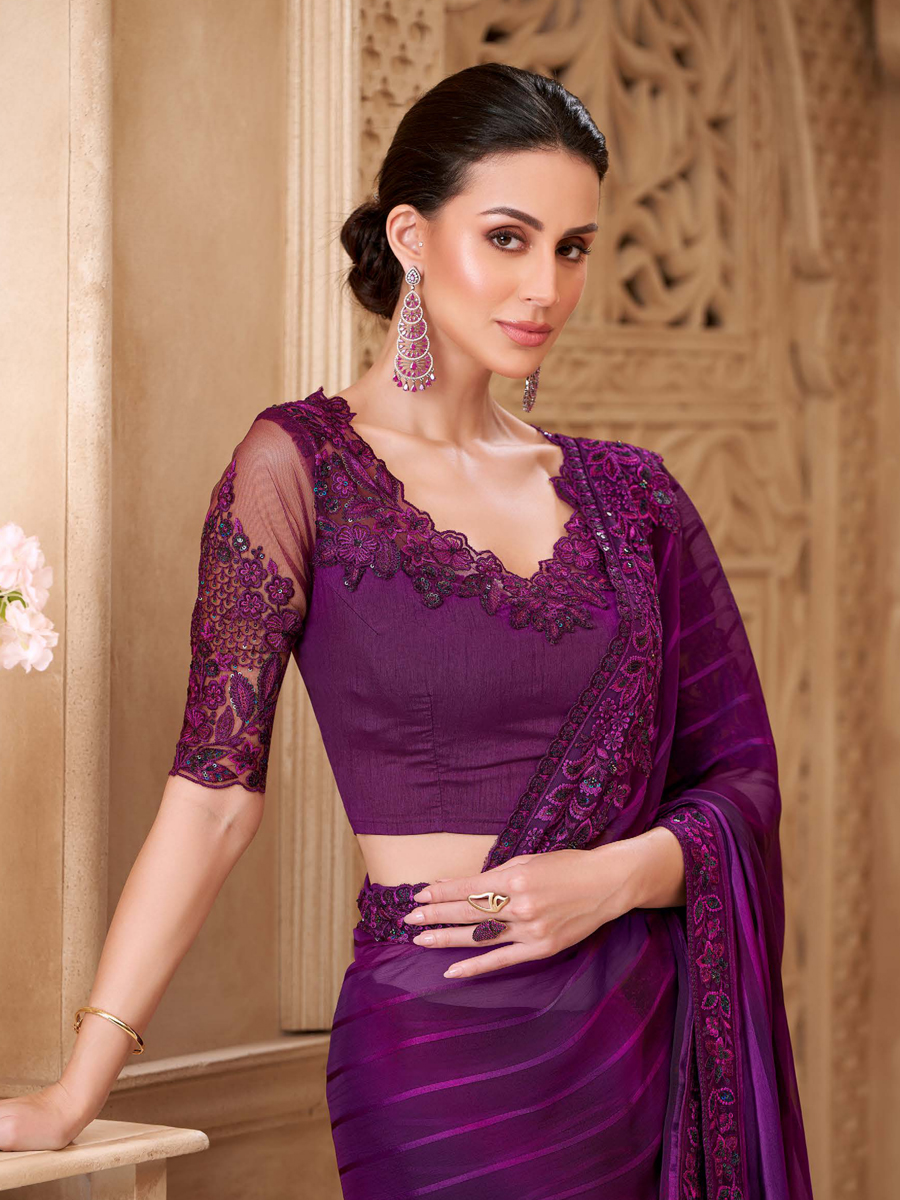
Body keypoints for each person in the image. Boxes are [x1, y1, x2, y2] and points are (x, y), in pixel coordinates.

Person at [0, 63, 814, 1199]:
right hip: (435, 1055)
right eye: (508, 238)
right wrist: (77, 1089)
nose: (545, 286)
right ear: (412, 236)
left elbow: (743, 781)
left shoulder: (634, 499)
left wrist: (616, 877)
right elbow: (213, 797)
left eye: (573, 248)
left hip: (633, 1045)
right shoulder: (299, 469)